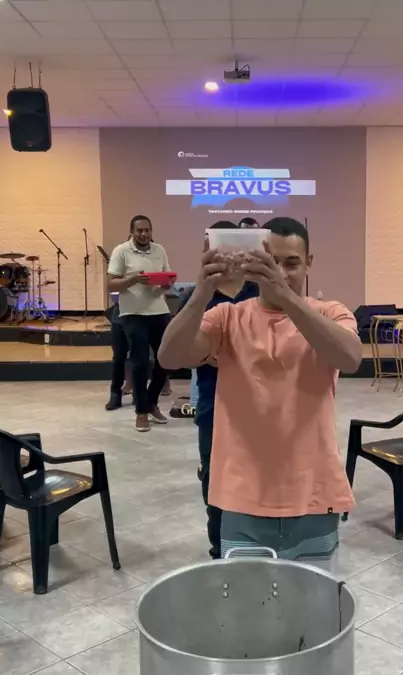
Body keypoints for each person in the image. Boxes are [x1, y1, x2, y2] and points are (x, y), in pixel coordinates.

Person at [159, 216, 362, 568]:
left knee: (313, 597)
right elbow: (170, 356)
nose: (280, 273)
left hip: (314, 493)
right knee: (246, 599)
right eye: (272, 262)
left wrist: (286, 297)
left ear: (309, 263)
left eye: (291, 263)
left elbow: (350, 358)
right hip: (242, 497)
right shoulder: (227, 317)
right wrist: (202, 292)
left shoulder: (330, 312)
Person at [178, 221, 258, 559]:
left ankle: (255, 546)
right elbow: (178, 350)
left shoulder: (260, 292)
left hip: (259, 407)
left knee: (257, 478)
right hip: (213, 405)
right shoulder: (195, 297)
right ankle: (219, 549)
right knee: (214, 480)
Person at [108, 215, 171, 432]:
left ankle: (151, 402)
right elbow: (111, 285)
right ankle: (141, 412)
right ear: (132, 232)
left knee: (167, 359)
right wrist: (133, 279)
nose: (144, 234)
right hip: (133, 313)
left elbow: (165, 278)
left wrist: (167, 283)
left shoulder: (159, 250)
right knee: (140, 363)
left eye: (147, 230)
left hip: (159, 310)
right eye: (139, 231)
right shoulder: (121, 251)